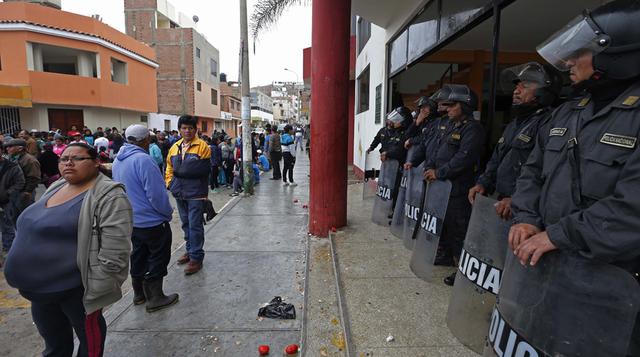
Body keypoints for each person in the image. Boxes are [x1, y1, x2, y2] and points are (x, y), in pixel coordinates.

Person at [508, 2, 640, 354]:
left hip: (612, 283)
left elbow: (632, 211)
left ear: (616, 54)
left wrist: (558, 234)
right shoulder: (570, 110)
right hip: (554, 268)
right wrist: (526, 218)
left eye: (580, 52)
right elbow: (532, 171)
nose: (568, 61)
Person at [4, 142, 132, 357]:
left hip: (75, 291)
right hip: (40, 291)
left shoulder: (110, 196)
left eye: (78, 158)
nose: (68, 163)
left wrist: (96, 288)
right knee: (55, 345)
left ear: (96, 162)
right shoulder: (58, 185)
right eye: (64, 159)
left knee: (89, 346)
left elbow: (116, 249)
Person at [469, 62, 560, 219]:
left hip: (526, 208)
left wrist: (518, 199)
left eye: (524, 86)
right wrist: (483, 183)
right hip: (502, 202)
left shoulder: (550, 123)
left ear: (543, 92)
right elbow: (497, 157)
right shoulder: (515, 123)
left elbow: (547, 171)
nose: (516, 91)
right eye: (517, 86)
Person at [423, 84, 484, 285]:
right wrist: (430, 166)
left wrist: (438, 172)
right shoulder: (451, 125)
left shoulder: (472, 129)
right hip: (443, 187)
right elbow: (437, 149)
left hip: (458, 190)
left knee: (460, 231)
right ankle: (447, 256)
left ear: (465, 106)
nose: (447, 109)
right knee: (446, 227)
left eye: (452, 105)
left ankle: (463, 271)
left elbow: (463, 159)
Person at [113, 125, 178, 313]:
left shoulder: (118, 159)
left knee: (139, 255)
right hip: (152, 221)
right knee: (159, 256)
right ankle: (155, 297)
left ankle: (139, 294)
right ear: (146, 140)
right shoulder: (144, 160)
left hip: (133, 220)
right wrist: (167, 213)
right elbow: (156, 195)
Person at [165, 115, 211, 275]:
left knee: (195, 225)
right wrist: (170, 183)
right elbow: (169, 167)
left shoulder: (202, 147)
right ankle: (190, 250)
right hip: (179, 192)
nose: (187, 131)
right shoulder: (174, 147)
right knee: (185, 224)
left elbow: (203, 171)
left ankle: (196, 257)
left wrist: (183, 173)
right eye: (184, 128)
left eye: (190, 128)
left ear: (195, 129)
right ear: (179, 130)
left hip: (196, 193)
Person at [0, 142, 24, 260]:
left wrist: (7, 194)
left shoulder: (12, 166)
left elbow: (20, 182)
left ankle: (9, 251)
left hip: (6, 201)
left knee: (7, 227)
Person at [5, 139, 41, 207]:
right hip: (12, 191)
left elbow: (34, 177)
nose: (7, 148)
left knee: (24, 212)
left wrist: (27, 191)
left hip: (24, 192)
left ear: (20, 148)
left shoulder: (30, 160)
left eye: (10, 146)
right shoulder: (10, 158)